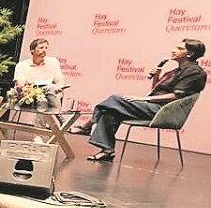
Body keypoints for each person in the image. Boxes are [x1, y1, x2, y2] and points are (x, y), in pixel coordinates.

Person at [74, 38, 206, 162]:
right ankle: (107, 150)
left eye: (179, 48)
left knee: (115, 99)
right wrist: (157, 75)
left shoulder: (195, 72)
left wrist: (143, 98)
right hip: (152, 106)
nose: (173, 50)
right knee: (110, 111)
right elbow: (156, 89)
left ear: (190, 53)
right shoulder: (175, 71)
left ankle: (87, 126)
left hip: (164, 111)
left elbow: (177, 95)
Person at [14, 38, 66, 105]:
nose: (44, 50)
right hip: (29, 97)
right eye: (41, 48)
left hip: (50, 95)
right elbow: (21, 85)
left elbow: (59, 80)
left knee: (53, 92)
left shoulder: (53, 62)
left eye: (46, 48)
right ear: (32, 50)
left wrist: (59, 87)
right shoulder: (21, 65)